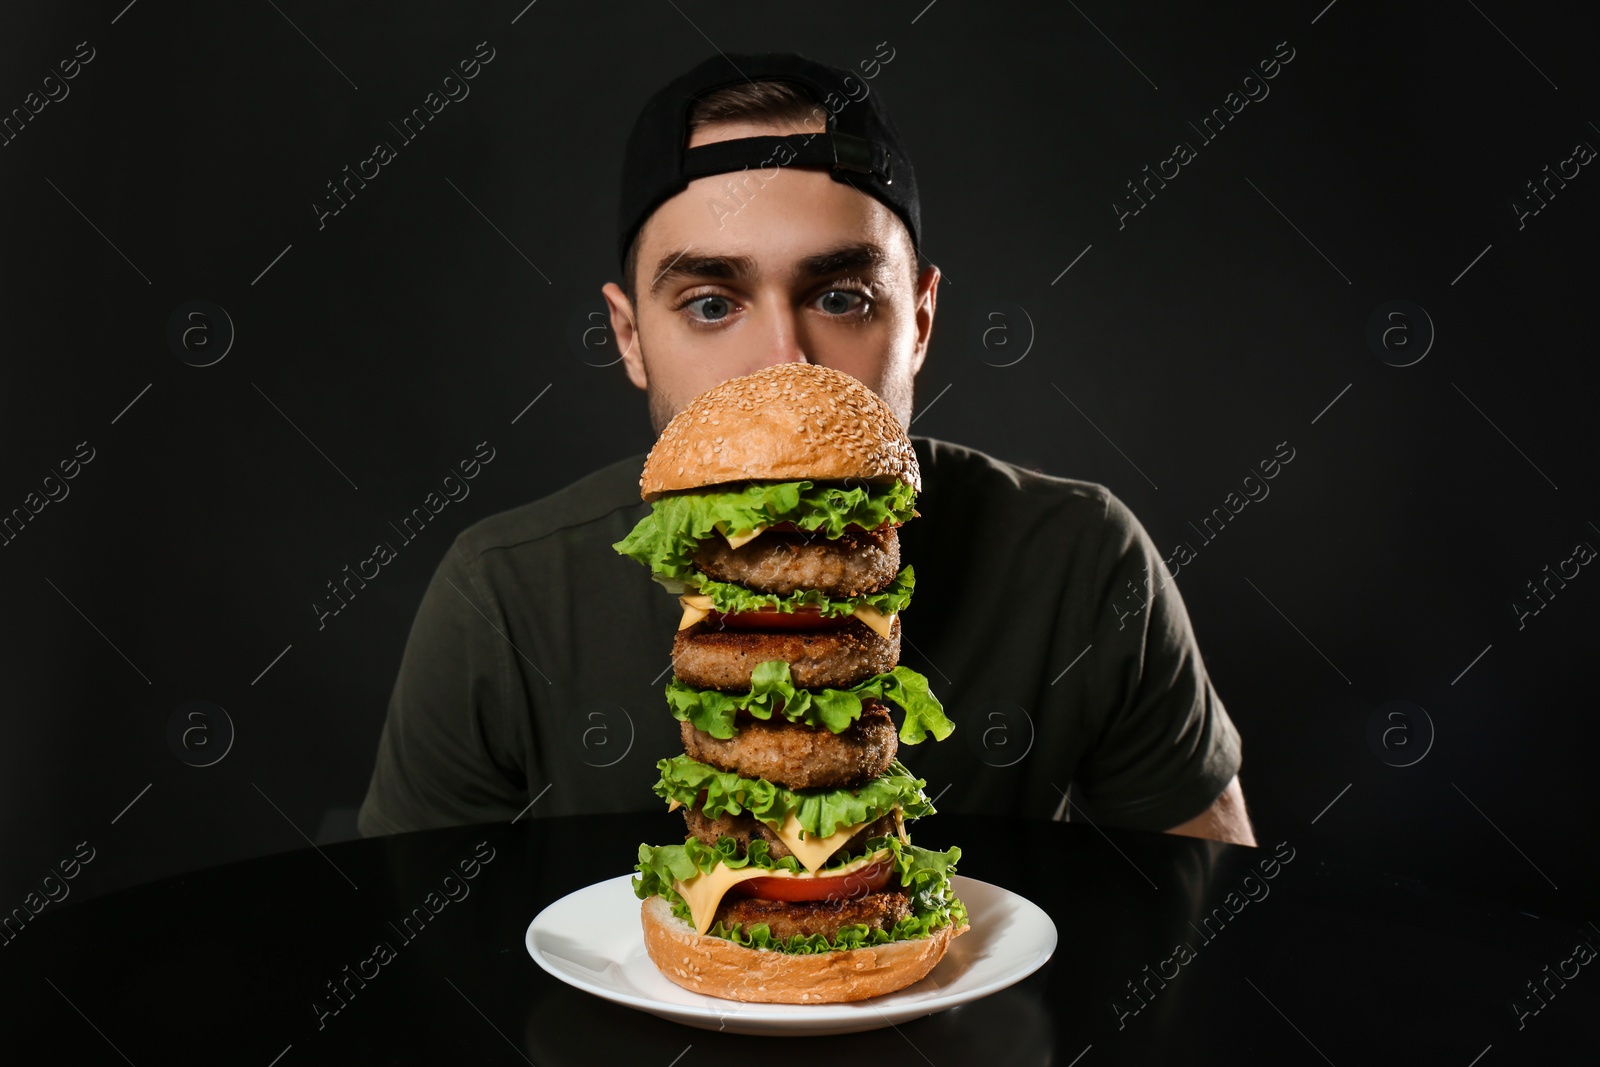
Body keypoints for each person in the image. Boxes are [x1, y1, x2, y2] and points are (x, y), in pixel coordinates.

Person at [357, 51, 1254, 847]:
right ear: (629, 338)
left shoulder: (1086, 560)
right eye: (711, 303)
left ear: (922, 324)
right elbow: (418, 973)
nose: (784, 367)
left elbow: (1207, 919)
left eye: (843, 297)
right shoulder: (501, 599)